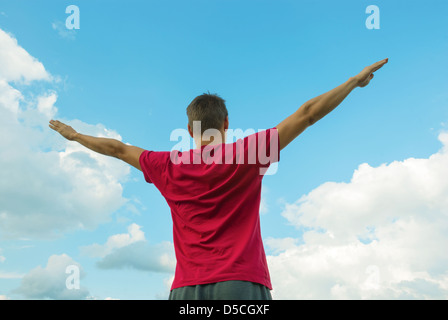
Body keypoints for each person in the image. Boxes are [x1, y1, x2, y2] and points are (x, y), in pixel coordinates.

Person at [49, 58, 388, 300]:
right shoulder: (248, 153)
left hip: (185, 289)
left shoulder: (167, 165)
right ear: (226, 123)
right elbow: (307, 115)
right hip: (240, 282)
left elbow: (119, 150)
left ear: (189, 129)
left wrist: (77, 136)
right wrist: (352, 83)